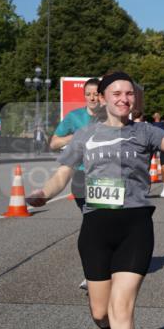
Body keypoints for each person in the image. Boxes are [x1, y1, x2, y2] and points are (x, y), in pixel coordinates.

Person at [26, 72, 164, 329]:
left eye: (128, 93)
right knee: (100, 313)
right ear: (103, 99)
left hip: (135, 227)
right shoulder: (85, 135)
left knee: (122, 310)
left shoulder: (145, 131)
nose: (123, 99)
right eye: (116, 93)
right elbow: (62, 175)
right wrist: (43, 193)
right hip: (96, 228)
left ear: (135, 98)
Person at [50, 77, 102, 290]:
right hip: (81, 175)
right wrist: (75, 137)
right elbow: (54, 143)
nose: (92, 97)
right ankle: (92, 274)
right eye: (88, 93)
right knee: (92, 224)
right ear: (84, 96)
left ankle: (101, 269)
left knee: (104, 224)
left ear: (102, 95)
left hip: (108, 177)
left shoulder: (112, 117)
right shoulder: (74, 117)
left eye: (96, 93)